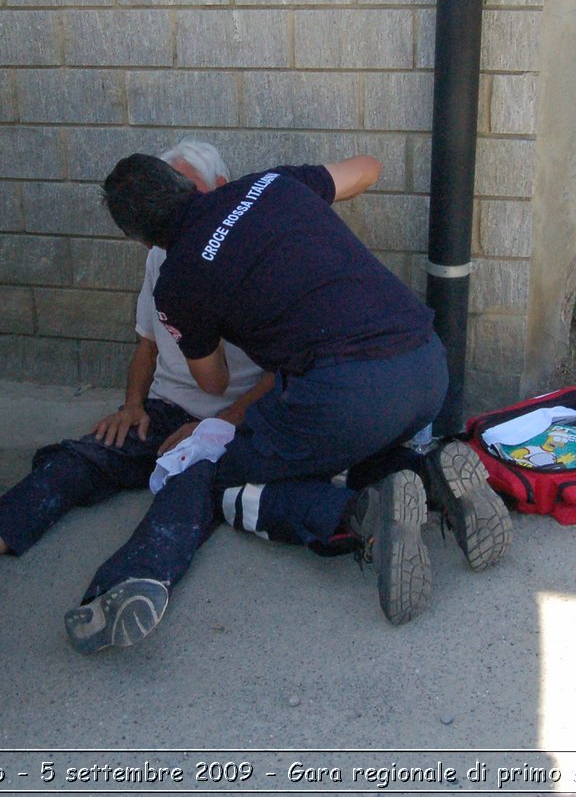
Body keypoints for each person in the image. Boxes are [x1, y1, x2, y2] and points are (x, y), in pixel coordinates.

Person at [62, 153, 509, 652]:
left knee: (224, 476)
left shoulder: (178, 284)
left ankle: (360, 514)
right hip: (426, 366)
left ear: (143, 240)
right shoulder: (269, 185)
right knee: (330, 443)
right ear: (185, 187)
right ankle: (431, 474)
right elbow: (367, 169)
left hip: (342, 396)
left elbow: (213, 383)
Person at [0, 142, 271, 577]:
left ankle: (128, 588)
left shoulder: (253, 257)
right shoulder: (162, 251)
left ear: (222, 190)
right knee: (81, 457)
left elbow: (284, 371)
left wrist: (220, 424)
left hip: (231, 421)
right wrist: (132, 406)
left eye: (190, 193)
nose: (178, 211)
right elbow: (148, 342)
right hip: (165, 411)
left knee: (188, 492)